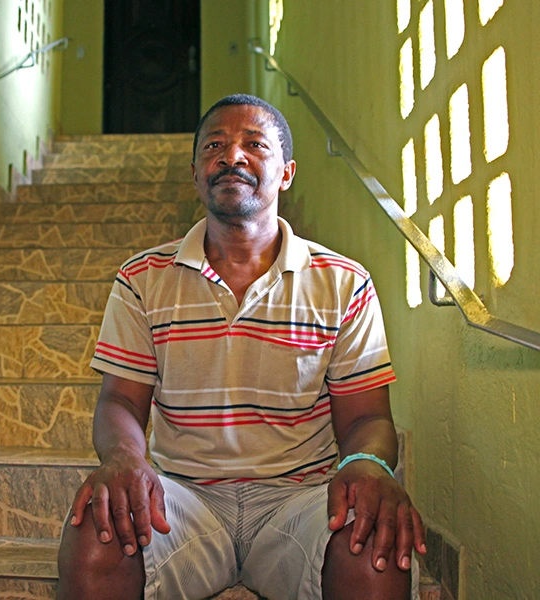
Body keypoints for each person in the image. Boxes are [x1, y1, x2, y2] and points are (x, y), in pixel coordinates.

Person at [56, 94, 426, 600]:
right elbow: (120, 400)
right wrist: (125, 458)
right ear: (195, 173)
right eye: (216, 145)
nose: (232, 157)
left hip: (300, 502)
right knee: (96, 532)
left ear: (287, 172)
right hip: (182, 500)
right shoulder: (142, 279)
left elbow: (368, 420)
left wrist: (365, 465)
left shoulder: (343, 282)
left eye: (254, 144)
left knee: (373, 546)